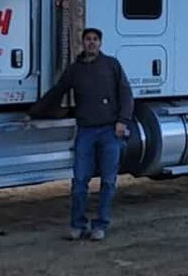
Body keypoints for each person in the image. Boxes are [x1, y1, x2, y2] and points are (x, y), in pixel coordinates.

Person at [31, 27, 133, 241]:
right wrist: (33, 113)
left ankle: (100, 225)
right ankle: (77, 225)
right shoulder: (74, 70)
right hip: (85, 131)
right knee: (79, 181)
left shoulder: (111, 65)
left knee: (107, 181)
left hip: (110, 132)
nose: (91, 43)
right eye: (88, 39)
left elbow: (126, 94)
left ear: (100, 43)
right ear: (83, 43)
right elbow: (57, 92)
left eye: (95, 39)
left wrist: (123, 121)